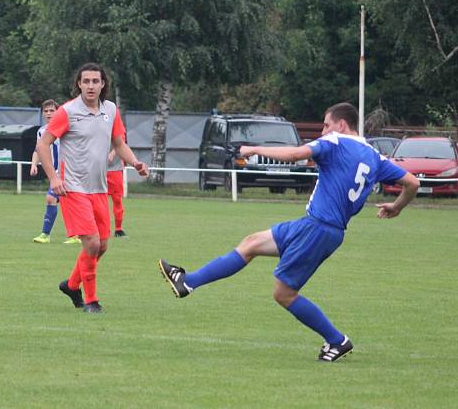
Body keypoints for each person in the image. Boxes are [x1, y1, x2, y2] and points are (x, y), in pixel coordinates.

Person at [158, 102, 419, 361]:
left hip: (318, 228)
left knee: (283, 294)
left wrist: (254, 149)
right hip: (316, 226)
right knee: (251, 243)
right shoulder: (375, 156)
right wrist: (396, 207)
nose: (323, 131)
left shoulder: (336, 142)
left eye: (326, 125)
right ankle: (187, 282)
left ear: (341, 124)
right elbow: (412, 182)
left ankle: (337, 340)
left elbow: (296, 155)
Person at [37, 62, 149, 313]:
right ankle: (91, 300)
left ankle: (72, 284)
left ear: (103, 84)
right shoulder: (67, 112)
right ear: (78, 84)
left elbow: (119, 143)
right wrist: (54, 178)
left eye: (95, 81)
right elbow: (43, 145)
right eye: (85, 81)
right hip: (73, 188)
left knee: (103, 245)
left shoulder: (110, 110)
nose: (90, 86)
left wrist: (135, 162)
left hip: (98, 188)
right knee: (91, 244)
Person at [30, 99, 80, 245]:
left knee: (61, 201)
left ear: (58, 112)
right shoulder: (42, 131)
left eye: (52, 110)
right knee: (55, 200)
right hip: (56, 174)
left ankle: (72, 235)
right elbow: (38, 149)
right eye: (46, 111)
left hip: (70, 171)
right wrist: (34, 164)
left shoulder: (65, 128)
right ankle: (48, 235)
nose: (49, 113)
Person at [107, 144, 127, 238]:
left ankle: (118, 229)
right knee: (96, 200)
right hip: (97, 169)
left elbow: (121, 142)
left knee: (117, 200)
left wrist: (113, 153)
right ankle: (100, 229)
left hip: (115, 169)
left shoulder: (117, 129)